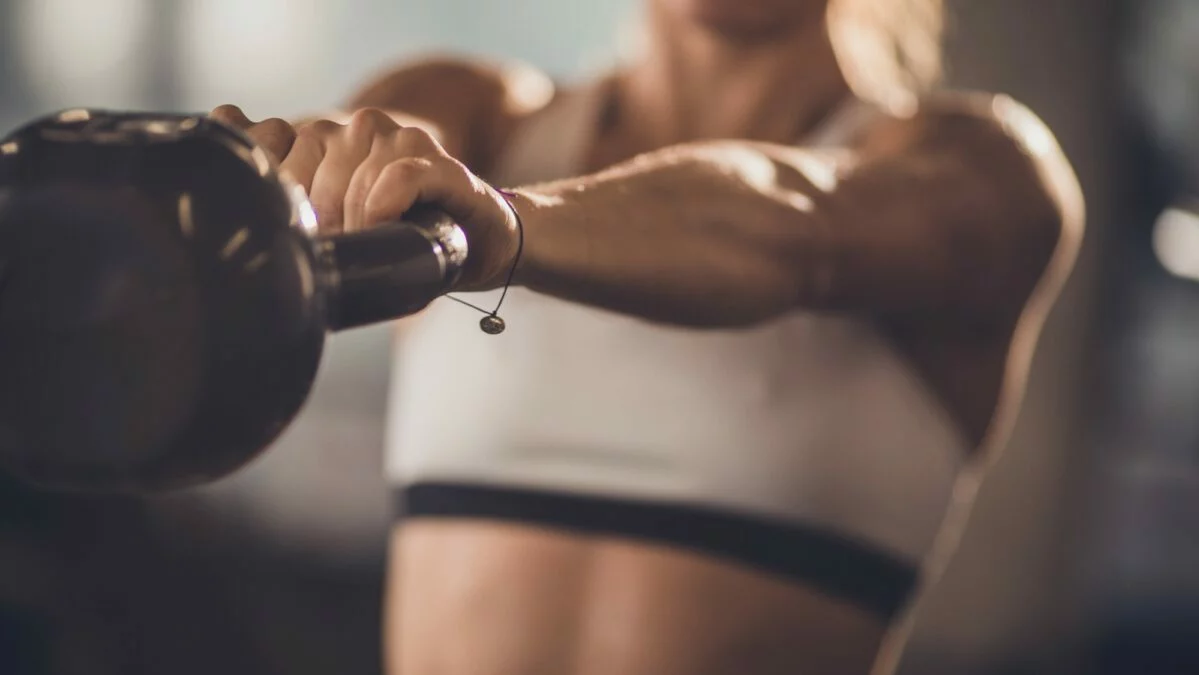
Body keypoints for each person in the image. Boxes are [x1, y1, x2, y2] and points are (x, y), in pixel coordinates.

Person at [210, 0, 1084, 673]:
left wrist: (504, 228)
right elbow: (386, 154)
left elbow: (788, 221)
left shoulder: (984, 171)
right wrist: (319, 175)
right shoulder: (473, 115)